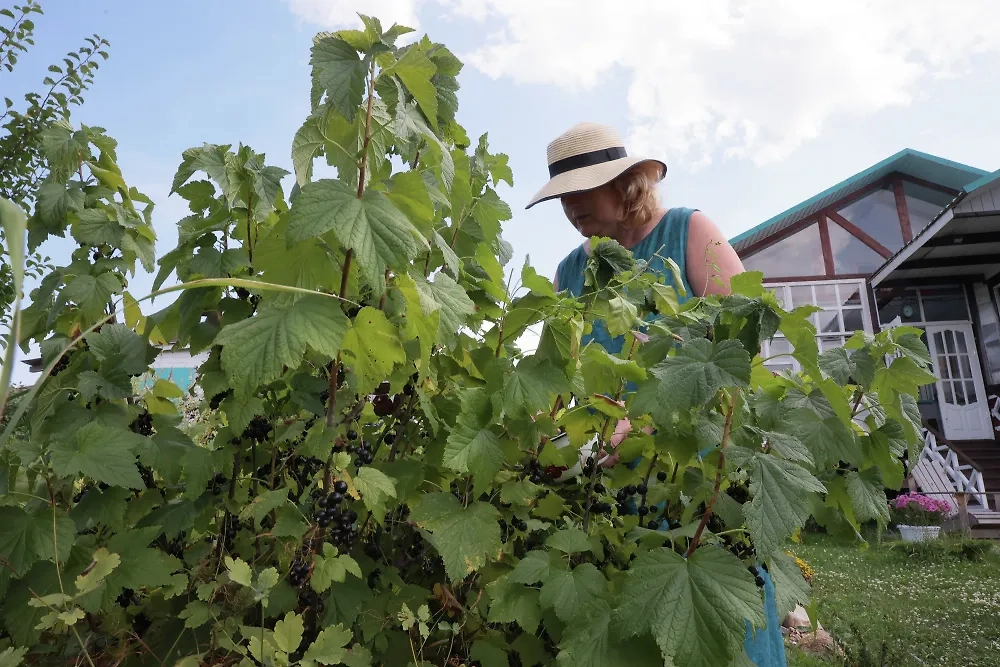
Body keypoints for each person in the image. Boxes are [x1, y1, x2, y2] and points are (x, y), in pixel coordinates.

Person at [526, 122, 786, 667]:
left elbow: (744, 348)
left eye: (581, 191)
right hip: (610, 486)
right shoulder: (570, 272)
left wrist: (649, 422)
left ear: (627, 184)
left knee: (718, 628)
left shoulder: (688, 231)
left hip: (696, 478)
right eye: (561, 198)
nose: (571, 208)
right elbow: (557, 378)